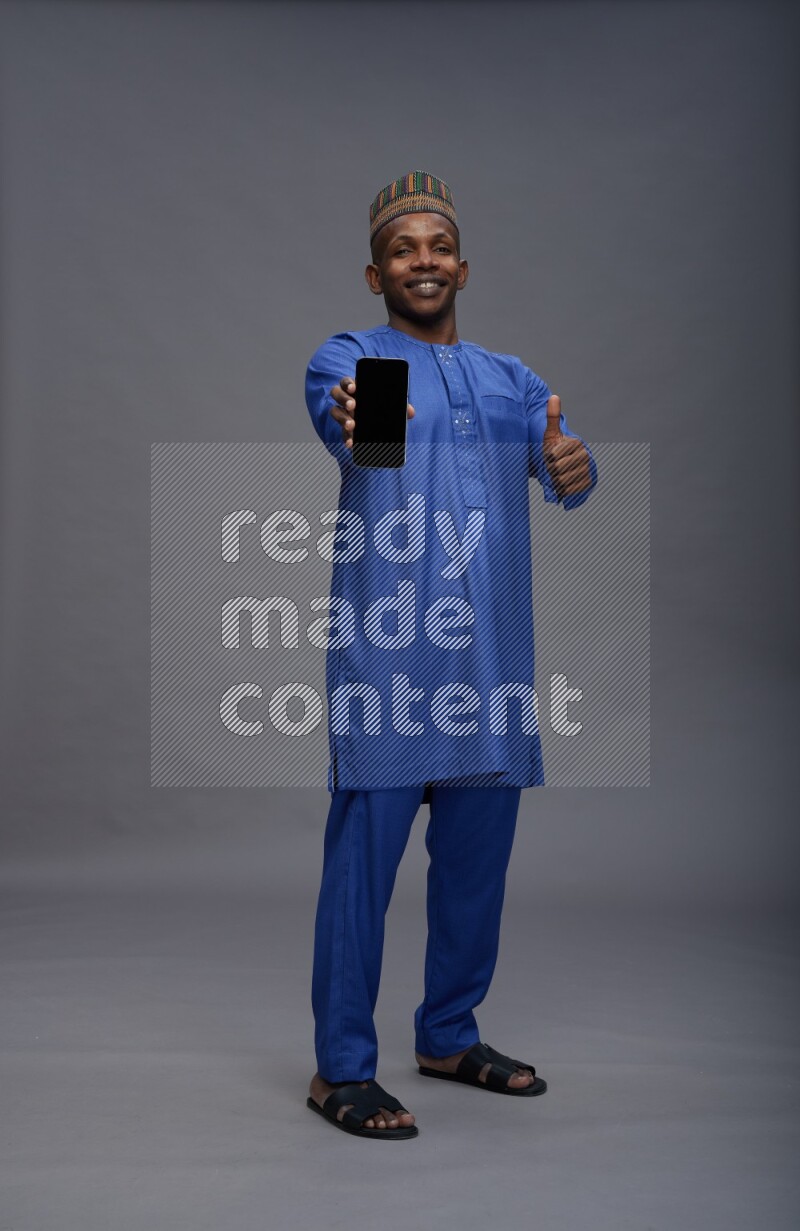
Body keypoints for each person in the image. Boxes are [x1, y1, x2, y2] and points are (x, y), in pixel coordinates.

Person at [304, 171, 597, 1139]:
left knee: (474, 874)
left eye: (437, 247)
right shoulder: (360, 358)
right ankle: (341, 1070)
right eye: (402, 249)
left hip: (489, 672)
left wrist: (574, 466)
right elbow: (362, 436)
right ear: (375, 273)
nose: (421, 261)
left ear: (462, 267)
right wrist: (355, 419)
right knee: (362, 876)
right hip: (392, 667)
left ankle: (447, 1036)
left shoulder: (512, 379)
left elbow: (566, 468)